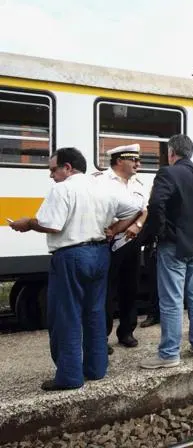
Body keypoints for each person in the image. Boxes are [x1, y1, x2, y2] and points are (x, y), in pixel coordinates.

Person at [9, 147, 141, 391]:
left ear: (67, 168)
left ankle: (69, 376)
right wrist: (116, 229)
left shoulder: (63, 188)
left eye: (53, 170)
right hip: (100, 254)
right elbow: (136, 208)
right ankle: (96, 369)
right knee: (94, 313)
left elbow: (51, 224)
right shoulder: (104, 187)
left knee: (66, 315)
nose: (51, 175)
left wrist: (27, 223)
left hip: (71, 256)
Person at [139, 135, 193, 369]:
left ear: (171, 153)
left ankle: (169, 353)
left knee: (171, 299)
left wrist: (159, 232)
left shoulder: (168, 173)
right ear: (190, 152)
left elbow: (156, 205)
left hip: (174, 245)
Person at [93, 144, 148, 350]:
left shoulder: (137, 182)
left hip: (131, 243)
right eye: (133, 160)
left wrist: (137, 224)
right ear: (119, 161)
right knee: (106, 291)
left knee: (130, 288)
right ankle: (102, 336)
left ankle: (126, 331)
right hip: (107, 243)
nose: (138, 164)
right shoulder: (100, 181)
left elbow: (145, 209)